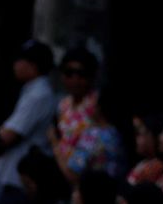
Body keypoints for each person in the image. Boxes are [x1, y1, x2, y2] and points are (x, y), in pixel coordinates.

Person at [50, 49, 125, 182]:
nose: (75, 80)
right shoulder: (63, 105)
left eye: (81, 74)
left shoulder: (98, 104)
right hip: (63, 171)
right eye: (69, 73)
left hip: (89, 177)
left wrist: (54, 144)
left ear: (92, 76)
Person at [0, 39, 56, 189]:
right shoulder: (31, 90)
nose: (16, 65)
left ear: (33, 66)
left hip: (19, 178)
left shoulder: (38, 94)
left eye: (20, 60)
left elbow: (8, 136)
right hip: (13, 173)